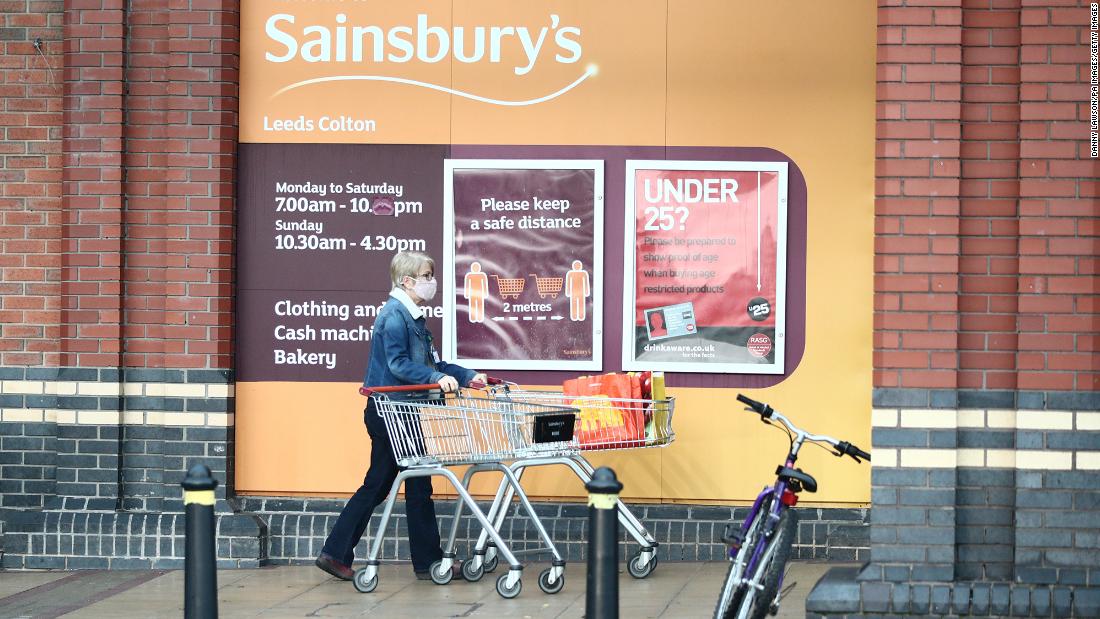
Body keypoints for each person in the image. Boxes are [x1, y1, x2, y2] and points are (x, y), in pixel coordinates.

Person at [316, 251, 486, 582]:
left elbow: (432, 364)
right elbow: (398, 365)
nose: (431, 281)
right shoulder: (394, 317)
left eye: (431, 275)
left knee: (383, 484)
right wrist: (436, 379)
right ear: (407, 280)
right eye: (426, 275)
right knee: (414, 486)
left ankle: (337, 553)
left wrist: (467, 376)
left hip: (397, 412)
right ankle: (427, 562)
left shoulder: (411, 317)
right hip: (392, 413)